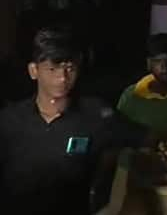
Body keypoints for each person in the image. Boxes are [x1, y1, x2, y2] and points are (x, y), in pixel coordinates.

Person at [0, 28, 143, 215]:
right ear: (34, 70)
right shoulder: (9, 120)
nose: (62, 78)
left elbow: (145, 138)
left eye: (70, 68)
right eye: (52, 69)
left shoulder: (96, 115)